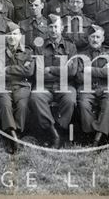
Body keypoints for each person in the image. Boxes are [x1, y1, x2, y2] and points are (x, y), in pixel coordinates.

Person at [29, 14, 78, 148]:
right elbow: (38, 74)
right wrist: (62, 71)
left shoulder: (70, 46)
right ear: (47, 29)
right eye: (50, 27)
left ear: (61, 28)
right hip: (44, 86)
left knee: (70, 99)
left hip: (65, 85)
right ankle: (53, 133)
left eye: (56, 27)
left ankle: (60, 130)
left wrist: (50, 69)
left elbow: (73, 71)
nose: (53, 30)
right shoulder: (40, 47)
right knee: (35, 97)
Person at [0, 22, 34, 154]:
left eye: (15, 34)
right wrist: (19, 70)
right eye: (9, 34)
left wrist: (8, 68)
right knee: (5, 104)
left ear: (20, 36)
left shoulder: (28, 51)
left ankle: (17, 133)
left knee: (22, 105)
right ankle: (12, 135)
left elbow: (28, 71)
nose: (12, 37)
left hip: (22, 85)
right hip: (3, 85)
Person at [75, 24, 109, 147]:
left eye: (98, 37)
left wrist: (88, 69)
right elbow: (78, 76)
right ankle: (91, 134)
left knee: (108, 103)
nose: (95, 40)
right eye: (92, 37)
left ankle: (98, 137)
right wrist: (101, 71)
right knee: (83, 104)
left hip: (105, 86)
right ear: (88, 38)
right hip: (86, 87)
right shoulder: (81, 54)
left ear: (103, 39)